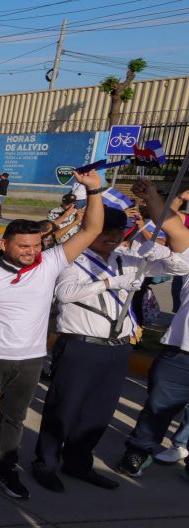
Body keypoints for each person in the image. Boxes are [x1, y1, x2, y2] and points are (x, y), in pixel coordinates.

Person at [0, 168, 104, 499]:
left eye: (34, 245)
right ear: (4, 243)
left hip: (30, 360)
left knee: (14, 420)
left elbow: (92, 229)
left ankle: (4, 471)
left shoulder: (50, 262)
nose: (30, 251)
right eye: (22, 246)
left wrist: (94, 191)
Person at [38, 195, 189, 491]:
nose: (112, 238)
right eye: (107, 232)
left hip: (117, 348)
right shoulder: (73, 259)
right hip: (81, 345)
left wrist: (155, 249)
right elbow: (66, 293)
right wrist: (109, 283)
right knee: (64, 408)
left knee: (99, 411)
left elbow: (181, 266)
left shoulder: (128, 260)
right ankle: (45, 463)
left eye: (118, 232)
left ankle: (78, 462)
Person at [111, 183, 189, 479]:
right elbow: (173, 227)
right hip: (183, 351)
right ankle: (139, 450)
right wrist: (154, 197)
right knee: (158, 407)